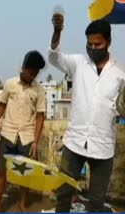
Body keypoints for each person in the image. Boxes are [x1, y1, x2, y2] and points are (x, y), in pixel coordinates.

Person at [49, 14, 125, 212]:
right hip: (74, 142)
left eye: (97, 44)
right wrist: (57, 32)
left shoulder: (120, 74)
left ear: (108, 42)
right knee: (64, 193)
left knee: (98, 201)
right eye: (89, 44)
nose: (92, 48)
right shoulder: (78, 63)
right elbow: (54, 57)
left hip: (103, 146)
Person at [0, 50, 46, 212]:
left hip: (27, 138)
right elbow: (2, 105)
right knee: (2, 175)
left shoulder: (39, 90)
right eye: (29, 73)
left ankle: (22, 204)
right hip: (7, 134)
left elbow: (40, 117)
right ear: (22, 68)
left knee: (25, 175)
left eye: (34, 74)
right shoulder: (10, 84)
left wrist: (35, 142)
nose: (31, 77)